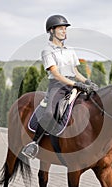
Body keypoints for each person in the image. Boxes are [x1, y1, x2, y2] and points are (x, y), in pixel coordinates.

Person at [22, 14, 97, 159]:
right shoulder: (47, 50)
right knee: (50, 113)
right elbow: (56, 74)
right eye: (61, 29)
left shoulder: (70, 50)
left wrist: (87, 82)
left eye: (65, 29)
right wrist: (76, 84)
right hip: (57, 87)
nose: (64, 31)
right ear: (51, 31)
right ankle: (34, 144)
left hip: (73, 85)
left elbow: (75, 72)